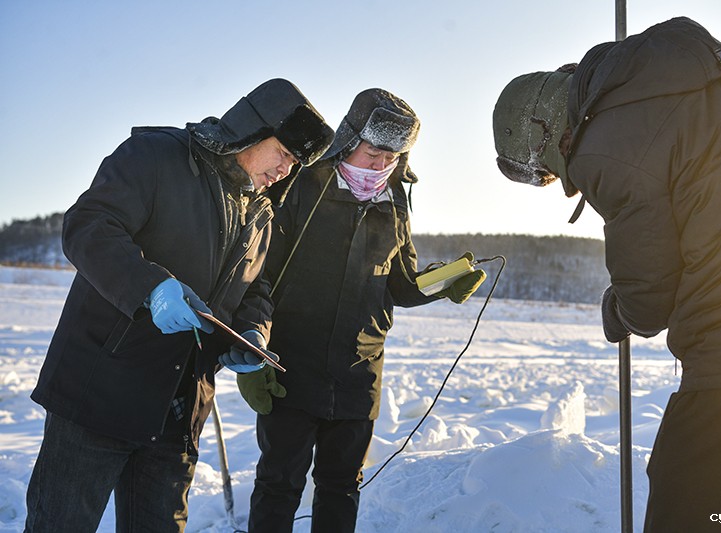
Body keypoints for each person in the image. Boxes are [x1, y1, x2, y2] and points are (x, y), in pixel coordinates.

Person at [492, 16, 721, 532]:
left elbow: (648, 299)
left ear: (543, 133)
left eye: (542, 171)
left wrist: (617, 310)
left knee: (687, 501)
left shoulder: (605, 142)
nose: (560, 183)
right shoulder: (695, 74)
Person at [24, 78, 335, 532]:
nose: (286, 170)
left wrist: (254, 333)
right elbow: (88, 226)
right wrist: (150, 287)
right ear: (254, 130)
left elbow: (255, 291)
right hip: (98, 395)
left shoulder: (260, 214)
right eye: (284, 154)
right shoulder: (157, 156)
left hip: (178, 411)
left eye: (295, 163)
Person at [235, 88, 487, 532]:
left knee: (341, 487)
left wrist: (443, 282)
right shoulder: (301, 186)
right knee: (279, 485)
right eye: (373, 153)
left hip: (359, 377)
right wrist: (255, 349)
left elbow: (403, 286)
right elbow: (260, 274)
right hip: (292, 367)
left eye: (391, 158)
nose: (379, 166)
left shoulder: (394, 204)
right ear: (350, 141)